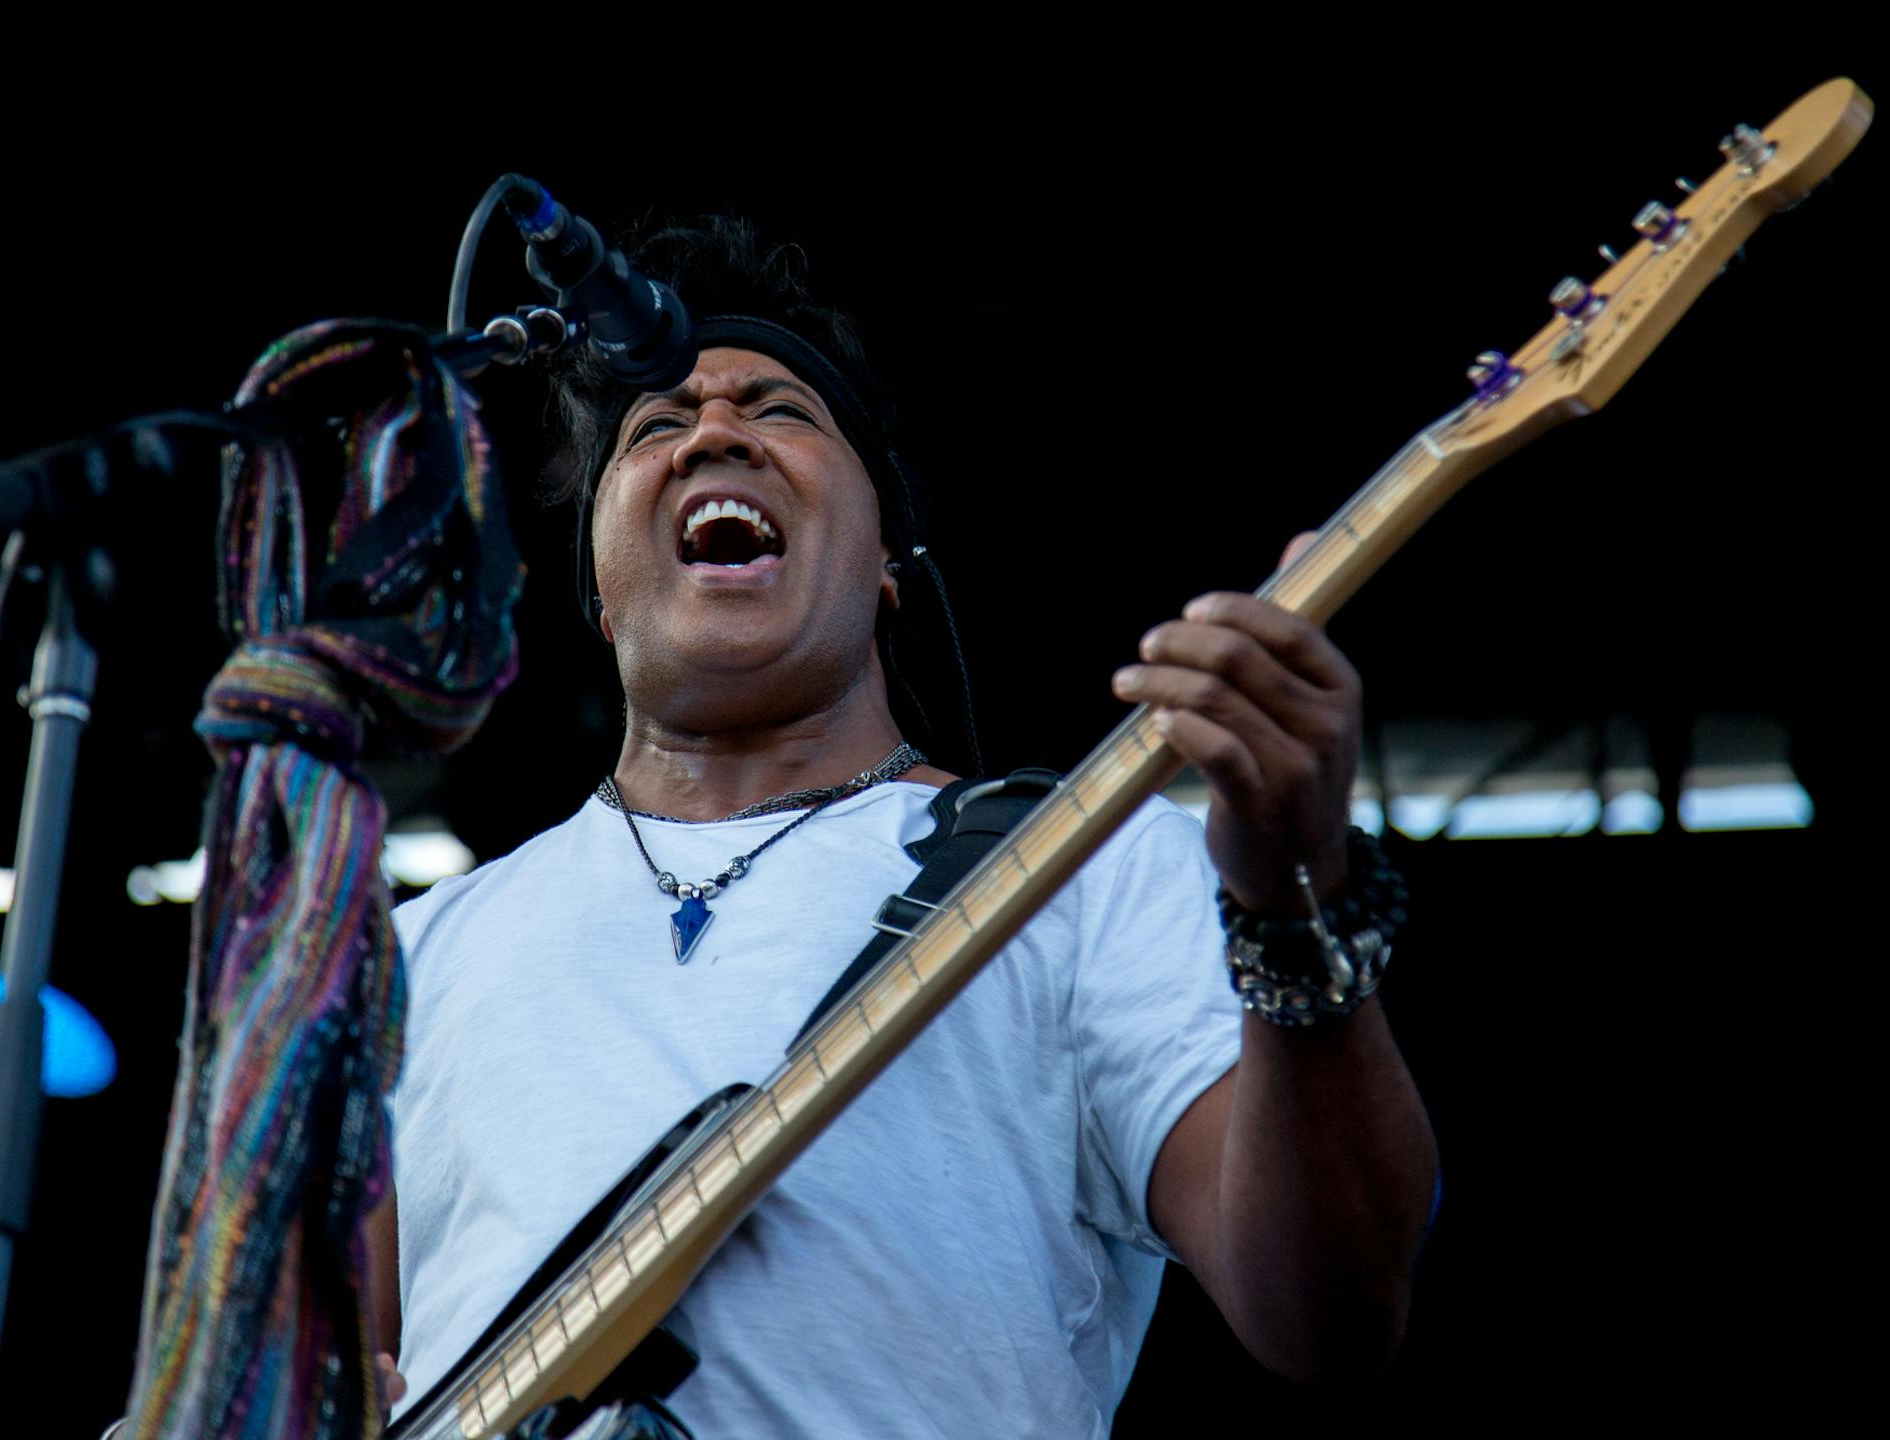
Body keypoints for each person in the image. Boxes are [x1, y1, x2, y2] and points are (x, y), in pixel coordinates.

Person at [367, 219, 1438, 1438]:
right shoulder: (417, 952)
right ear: (599, 594)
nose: (714, 431)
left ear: (884, 560)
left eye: (780, 412)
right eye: (655, 427)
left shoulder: (1083, 866)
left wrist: (1292, 906)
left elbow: (1330, 1315)